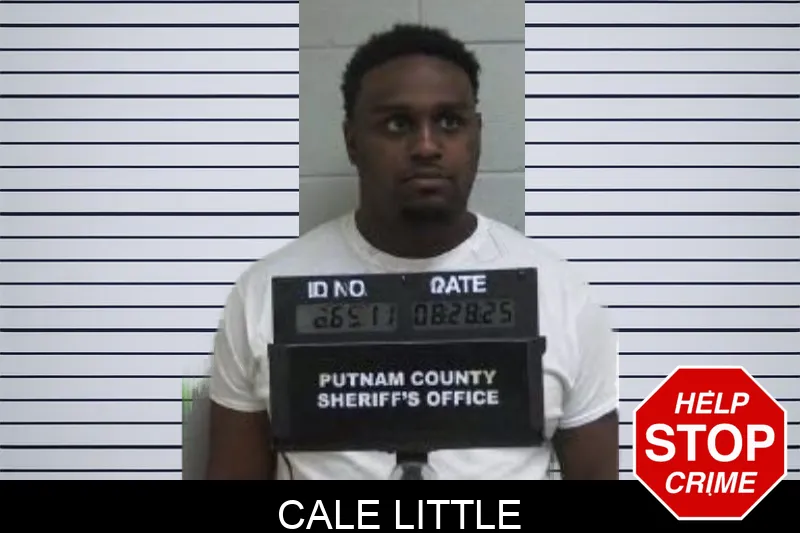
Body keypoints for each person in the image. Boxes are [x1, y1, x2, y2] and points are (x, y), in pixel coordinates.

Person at [205, 23, 619, 480]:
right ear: (352, 141)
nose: (426, 146)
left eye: (450, 122)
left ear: (477, 135)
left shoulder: (561, 295)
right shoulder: (262, 293)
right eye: (397, 124)